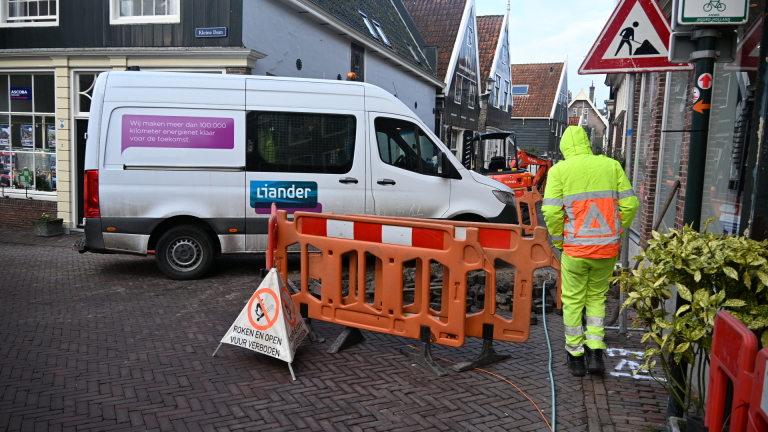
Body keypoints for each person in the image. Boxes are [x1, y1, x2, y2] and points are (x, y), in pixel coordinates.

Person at [542, 126, 639, 377]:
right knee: (597, 297)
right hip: (607, 249)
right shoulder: (611, 166)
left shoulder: (559, 171)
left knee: (573, 301)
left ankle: (575, 357)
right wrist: (618, 229)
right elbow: (630, 203)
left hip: (575, 249)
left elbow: (552, 212)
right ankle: (595, 351)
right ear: (588, 143)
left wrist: (559, 241)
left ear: (564, 148)